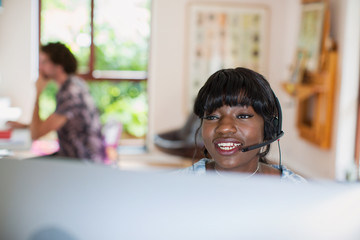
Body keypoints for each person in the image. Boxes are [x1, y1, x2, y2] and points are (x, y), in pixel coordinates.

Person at [178, 67, 305, 183]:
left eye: (243, 116)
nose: (224, 128)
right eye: (212, 117)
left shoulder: (297, 191)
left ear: (269, 127)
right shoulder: (176, 186)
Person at [7, 42, 106, 163]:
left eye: (44, 62)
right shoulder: (74, 84)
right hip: (76, 156)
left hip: (81, 161)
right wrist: (26, 126)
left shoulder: (70, 93)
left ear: (59, 66)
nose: (40, 67)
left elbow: (36, 134)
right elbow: (52, 124)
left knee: (20, 167)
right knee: (22, 164)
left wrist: (38, 93)